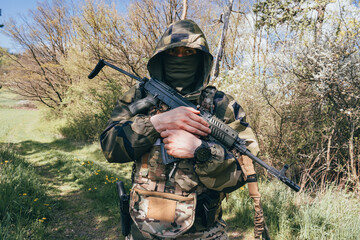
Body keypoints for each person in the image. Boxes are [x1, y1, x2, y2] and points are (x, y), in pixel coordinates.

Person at [100, 19, 263, 240]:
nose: (180, 58)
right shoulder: (138, 96)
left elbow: (246, 169)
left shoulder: (223, 106)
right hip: (143, 230)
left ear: (201, 59)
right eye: (173, 52)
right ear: (161, 56)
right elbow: (109, 148)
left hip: (204, 232)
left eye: (188, 52)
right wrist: (156, 123)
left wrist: (201, 151)